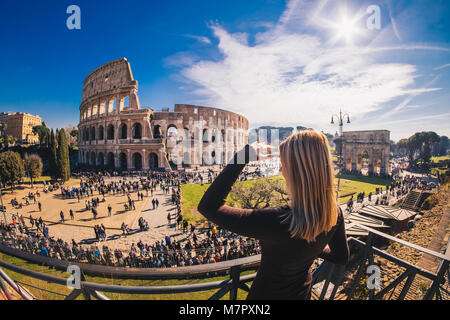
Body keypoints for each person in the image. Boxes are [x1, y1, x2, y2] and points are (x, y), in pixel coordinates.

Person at [197, 131, 349, 300]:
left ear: (298, 172)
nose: (281, 169)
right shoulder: (335, 213)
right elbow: (341, 257)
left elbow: (208, 206)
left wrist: (243, 156)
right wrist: (312, 248)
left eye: (284, 164)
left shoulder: (277, 221)